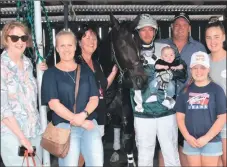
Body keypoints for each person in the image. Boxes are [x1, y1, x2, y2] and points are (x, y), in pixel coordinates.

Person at [41, 29, 103, 167]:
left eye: (70, 45)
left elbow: (94, 98)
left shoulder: (86, 71)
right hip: (65, 128)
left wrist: (84, 115)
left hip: (89, 124)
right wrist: (80, 121)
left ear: (76, 47)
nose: (66, 49)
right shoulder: (50, 74)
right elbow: (53, 104)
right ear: (57, 49)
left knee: (97, 163)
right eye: (62, 46)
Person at [130, 13, 181, 166]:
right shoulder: (130, 52)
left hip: (166, 113)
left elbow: (181, 72)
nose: (147, 33)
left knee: (171, 154)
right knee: (145, 157)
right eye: (143, 30)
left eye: (150, 30)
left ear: (155, 31)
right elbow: (125, 81)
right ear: (138, 32)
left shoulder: (165, 49)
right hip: (142, 114)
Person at [157, 12, 207, 166]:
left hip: (189, 105)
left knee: (184, 144)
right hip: (164, 105)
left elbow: (204, 74)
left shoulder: (198, 47)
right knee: (164, 146)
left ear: (189, 28)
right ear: (172, 27)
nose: (180, 28)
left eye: (184, 25)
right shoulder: (160, 45)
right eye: (177, 25)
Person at [1, 21, 47, 166]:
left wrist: (40, 70)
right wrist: (22, 138)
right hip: (13, 134)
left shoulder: (28, 64)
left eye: (23, 38)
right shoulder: (2, 67)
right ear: (6, 39)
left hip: (34, 131)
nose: (20, 42)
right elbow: (3, 110)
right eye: (15, 38)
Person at [175, 51, 226, 167]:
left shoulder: (217, 90)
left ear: (208, 69)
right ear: (190, 69)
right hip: (191, 141)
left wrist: (206, 138)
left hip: (211, 141)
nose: (198, 72)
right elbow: (180, 117)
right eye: (195, 68)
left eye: (202, 67)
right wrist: (187, 137)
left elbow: (222, 118)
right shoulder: (184, 91)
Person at [76, 24, 118, 138]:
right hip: (83, 119)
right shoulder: (75, 64)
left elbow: (102, 87)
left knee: (96, 154)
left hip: (99, 116)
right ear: (79, 43)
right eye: (87, 38)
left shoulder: (96, 64)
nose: (92, 41)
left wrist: (114, 72)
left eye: (94, 38)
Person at [205, 17, 227, 167]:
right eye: (209, 37)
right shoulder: (202, 62)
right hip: (207, 122)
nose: (213, 41)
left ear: (224, 37)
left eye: (217, 37)